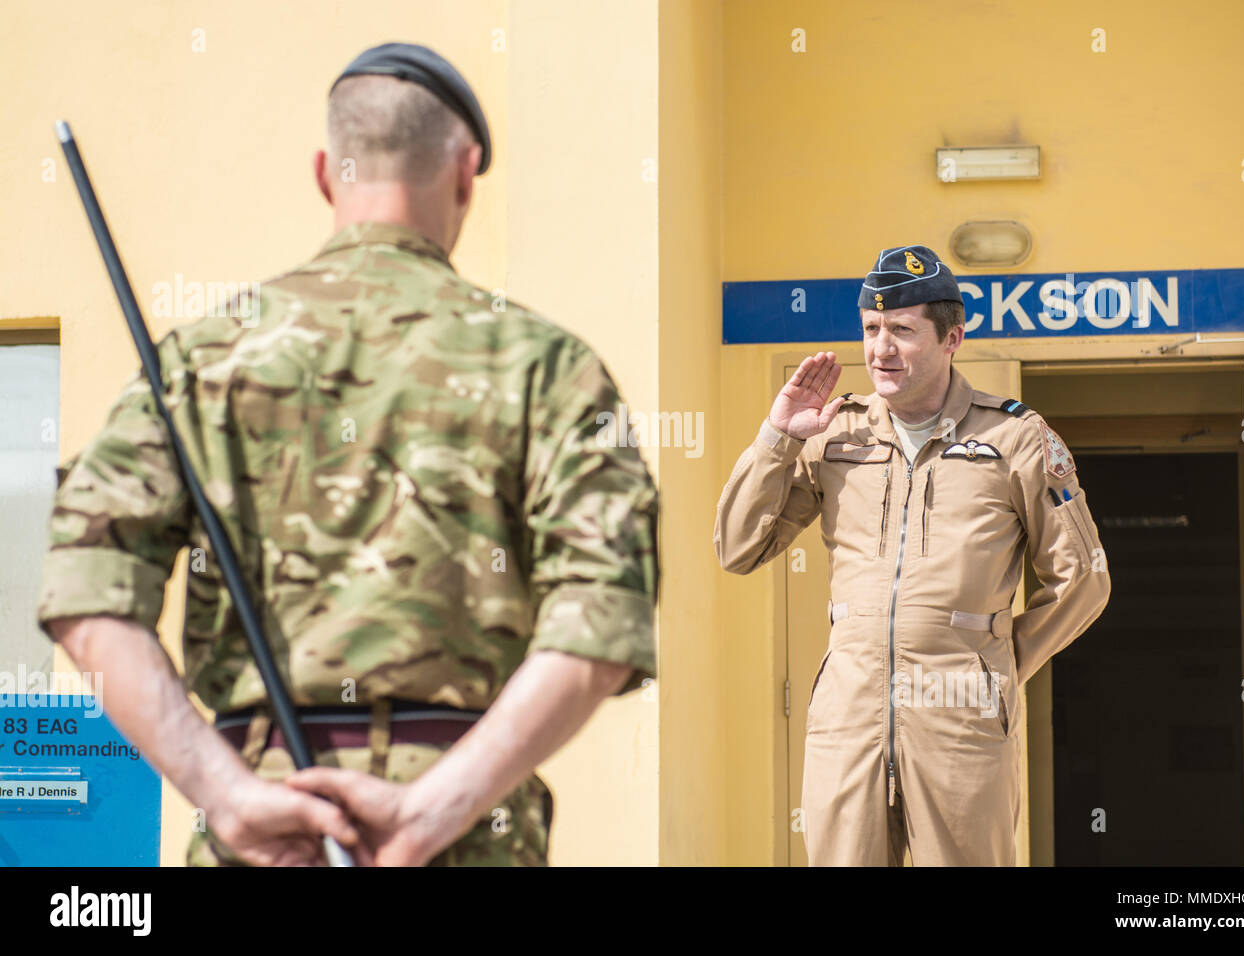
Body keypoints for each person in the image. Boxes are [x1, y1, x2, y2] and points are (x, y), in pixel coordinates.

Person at [37, 42, 658, 867]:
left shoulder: (200, 362)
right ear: (467, 172)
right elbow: (605, 617)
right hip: (470, 836)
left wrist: (228, 796)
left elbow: (86, 597)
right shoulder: (547, 367)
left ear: (328, 172)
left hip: (266, 833)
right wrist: (434, 810)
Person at [714, 244, 1110, 866]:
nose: (880, 349)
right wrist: (777, 439)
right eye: (871, 329)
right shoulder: (835, 434)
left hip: (963, 726)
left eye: (902, 330)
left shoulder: (1012, 439)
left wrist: (996, 667)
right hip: (848, 722)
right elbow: (737, 548)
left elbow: (1083, 578)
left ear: (952, 337)